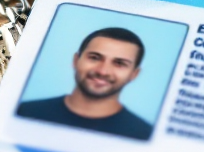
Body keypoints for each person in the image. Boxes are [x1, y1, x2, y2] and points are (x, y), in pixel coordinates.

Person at [17, 27, 154, 140]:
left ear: (134, 74)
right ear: (76, 60)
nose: (103, 71)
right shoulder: (23, 112)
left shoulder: (144, 136)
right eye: (94, 58)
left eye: (119, 63)